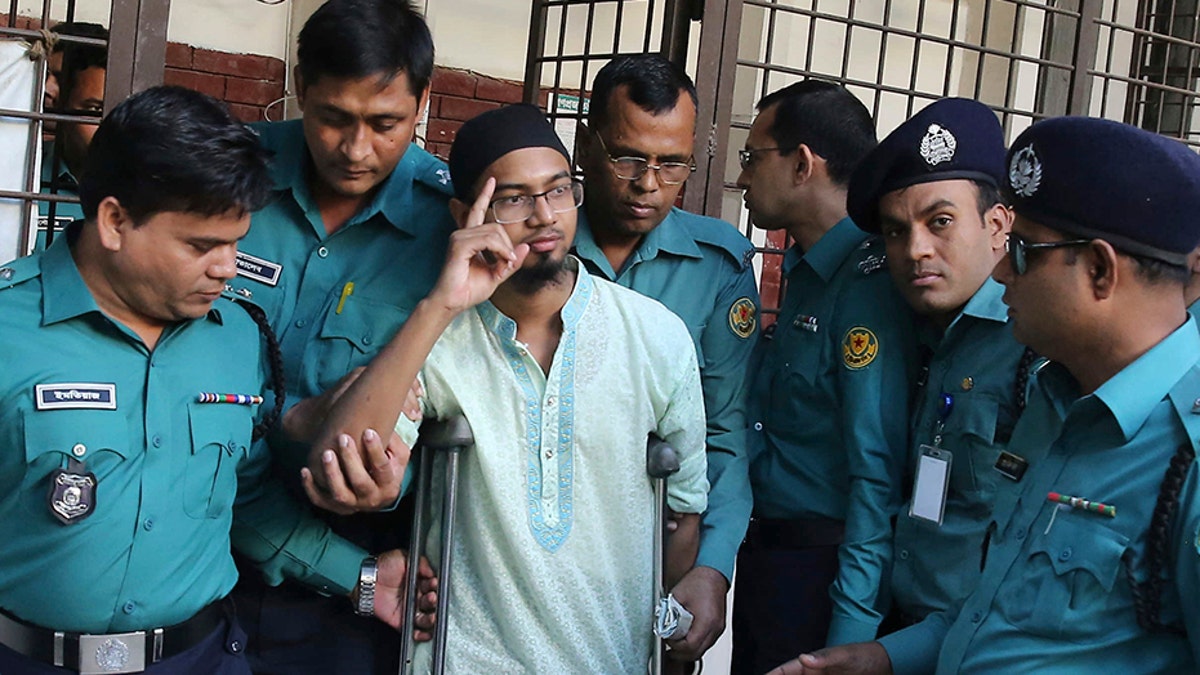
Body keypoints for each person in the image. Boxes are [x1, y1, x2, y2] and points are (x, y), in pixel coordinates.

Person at [0, 86, 431, 675]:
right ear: (115, 220)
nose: (228, 267)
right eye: (202, 245)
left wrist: (359, 578)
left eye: (236, 242)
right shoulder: (9, 329)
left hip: (202, 658)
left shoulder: (234, 336)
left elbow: (243, 496)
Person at [772, 116, 1200, 674]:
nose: (1001, 270)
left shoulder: (1185, 454)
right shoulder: (1058, 401)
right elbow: (996, 610)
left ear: (1099, 269)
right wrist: (881, 657)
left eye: (1023, 251)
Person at [311, 102, 710, 673]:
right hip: (463, 659)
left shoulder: (655, 336)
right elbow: (346, 467)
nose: (545, 216)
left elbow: (685, 511)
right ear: (464, 213)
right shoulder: (437, 338)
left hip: (611, 659)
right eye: (514, 199)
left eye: (558, 191)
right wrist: (442, 303)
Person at [226, 1, 456, 671]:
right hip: (191, 539)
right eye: (333, 118)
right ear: (300, 84)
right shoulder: (227, 178)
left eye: (385, 124)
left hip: (351, 570)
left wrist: (394, 472)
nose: (356, 150)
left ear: (423, 102)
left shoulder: (449, 225)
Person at [572, 53, 760, 665]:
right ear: (585, 143)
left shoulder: (719, 266)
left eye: (672, 163)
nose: (648, 183)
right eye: (627, 156)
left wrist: (712, 567)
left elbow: (726, 431)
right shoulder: (534, 251)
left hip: (657, 558)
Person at [731, 80, 918, 673]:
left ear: (803, 164)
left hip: (824, 575)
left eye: (752, 157)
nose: (741, 178)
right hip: (774, 562)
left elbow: (875, 476)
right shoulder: (808, 267)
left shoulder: (865, 285)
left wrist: (850, 635)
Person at [844, 98, 1033, 630]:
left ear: (997, 224)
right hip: (904, 625)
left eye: (940, 221)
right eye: (897, 231)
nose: (915, 250)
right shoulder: (920, 330)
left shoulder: (1034, 344)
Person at [37, 22, 108, 247]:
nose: (48, 89)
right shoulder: (22, 171)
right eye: (44, 73)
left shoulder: (147, 189)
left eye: (61, 78)